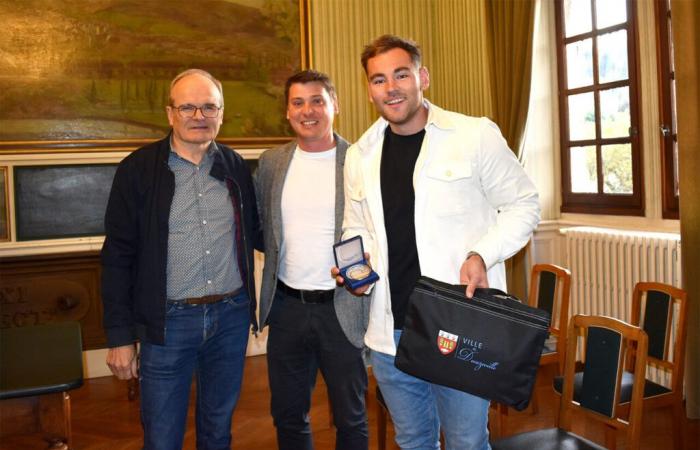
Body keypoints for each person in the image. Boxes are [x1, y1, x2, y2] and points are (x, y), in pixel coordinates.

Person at [335, 35, 540, 450]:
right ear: (369, 89)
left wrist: (482, 252)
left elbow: (524, 204)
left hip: (459, 324)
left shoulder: (474, 135)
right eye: (378, 79)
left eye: (401, 74)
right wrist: (357, 269)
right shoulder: (360, 154)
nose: (390, 87)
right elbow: (354, 229)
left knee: (466, 440)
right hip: (389, 331)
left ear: (422, 77)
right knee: (413, 440)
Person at [101, 68, 261, 450]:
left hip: (230, 318)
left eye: (209, 107)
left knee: (218, 431)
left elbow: (260, 232)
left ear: (222, 114)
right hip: (168, 323)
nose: (198, 116)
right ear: (170, 113)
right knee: (161, 438)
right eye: (187, 107)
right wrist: (121, 337)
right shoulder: (138, 170)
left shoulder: (236, 167)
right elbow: (117, 257)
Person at [255, 70, 370, 450]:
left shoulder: (360, 161)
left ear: (335, 105)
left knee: (350, 418)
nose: (309, 111)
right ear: (287, 112)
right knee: (288, 416)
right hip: (287, 309)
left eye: (318, 100)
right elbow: (261, 228)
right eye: (298, 102)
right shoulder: (271, 163)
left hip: (342, 308)